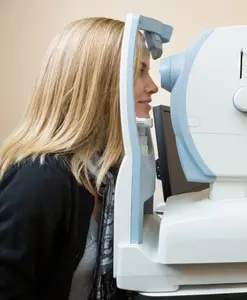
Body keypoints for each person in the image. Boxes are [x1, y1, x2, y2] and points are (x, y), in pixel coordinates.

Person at [0, 17, 158, 300]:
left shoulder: (106, 170)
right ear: (102, 83)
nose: (153, 86)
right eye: (141, 71)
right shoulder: (39, 182)